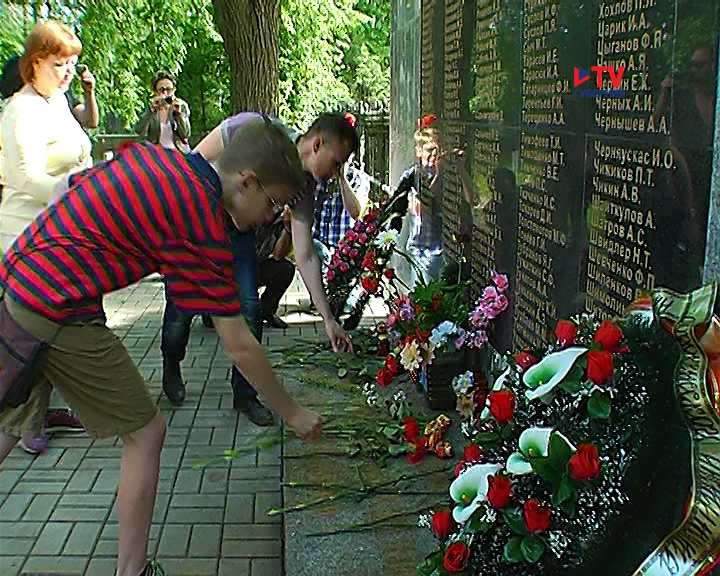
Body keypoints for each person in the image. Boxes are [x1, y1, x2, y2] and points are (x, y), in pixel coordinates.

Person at [0, 116, 323, 576]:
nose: (272, 217)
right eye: (273, 203)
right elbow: (239, 345)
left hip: (21, 279)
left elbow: (66, 190)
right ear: (246, 182)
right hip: (58, 305)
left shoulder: (161, 160)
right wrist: (293, 413)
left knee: (12, 422)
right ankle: (132, 571)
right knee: (146, 434)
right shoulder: (200, 218)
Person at [162, 112, 356, 425]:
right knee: (180, 310)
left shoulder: (305, 189)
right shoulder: (253, 127)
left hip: (239, 232)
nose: (335, 174)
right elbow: (194, 165)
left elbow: (305, 255)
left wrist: (328, 319)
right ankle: (171, 361)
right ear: (318, 144)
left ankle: (246, 395)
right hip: (199, 221)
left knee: (249, 310)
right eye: (336, 163)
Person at [0, 21, 92, 454]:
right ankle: (25, 422)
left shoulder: (56, 101)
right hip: (26, 241)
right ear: (35, 63)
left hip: (60, 239)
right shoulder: (20, 110)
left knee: (53, 335)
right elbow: (25, 177)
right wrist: (76, 193)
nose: (68, 71)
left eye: (72, 63)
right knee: (34, 339)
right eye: (59, 63)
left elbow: (78, 151)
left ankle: (39, 414)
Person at [255, 206, 296, 329]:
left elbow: (278, 255)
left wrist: (287, 228)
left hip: (258, 264)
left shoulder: (279, 219)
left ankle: (267, 311)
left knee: (285, 269)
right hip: (234, 266)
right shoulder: (252, 209)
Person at [134, 70, 190, 152]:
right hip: (156, 153)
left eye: (168, 89)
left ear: (174, 90)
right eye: (161, 90)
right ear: (155, 92)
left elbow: (186, 135)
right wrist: (151, 111)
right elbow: (139, 131)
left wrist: (179, 114)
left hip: (177, 152)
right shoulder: (150, 107)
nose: (165, 93)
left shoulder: (181, 105)